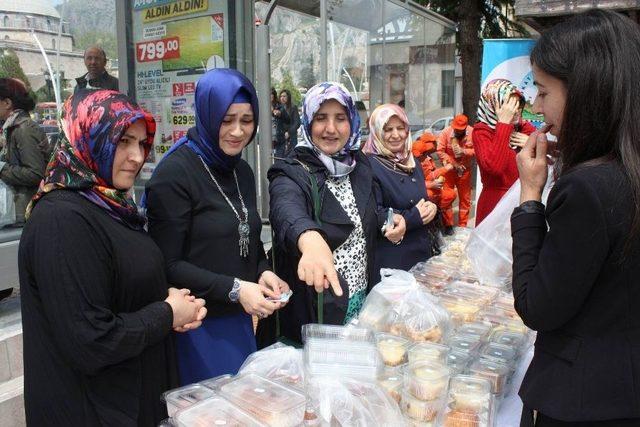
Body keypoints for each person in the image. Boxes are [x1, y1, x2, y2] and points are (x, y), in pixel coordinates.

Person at [18, 90, 206, 426]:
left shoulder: (110, 205)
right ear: (89, 139)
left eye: (142, 143)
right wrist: (166, 313)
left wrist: (173, 309)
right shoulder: (62, 220)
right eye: (123, 141)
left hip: (127, 398)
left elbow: (119, 288)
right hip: (90, 409)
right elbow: (90, 340)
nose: (137, 156)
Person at [512, 10, 640, 426]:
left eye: (544, 92)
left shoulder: (588, 189)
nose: (536, 106)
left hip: (583, 400)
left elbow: (537, 306)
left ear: (586, 92)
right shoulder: (625, 172)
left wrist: (530, 195)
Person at [145, 69, 289, 384]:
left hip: (238, 321)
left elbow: (247, 239)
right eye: (227, 120)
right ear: (208, 115)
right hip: (196, 326)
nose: (237, 131)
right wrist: (237, 289)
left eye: (246, 120)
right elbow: (166, 265)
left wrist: (262, 271)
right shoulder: (174, 175)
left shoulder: (243, 171)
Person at [267, 82, 405, 344]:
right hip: (317, 314)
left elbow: (366, 211)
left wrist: (389, 218)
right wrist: (309, 238)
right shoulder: (291, 171)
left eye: (340, 118)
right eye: (321, 118)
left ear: (351, 122)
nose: (331, 129)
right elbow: (286, 208)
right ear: (308, 122)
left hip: (361, 303)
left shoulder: (359, 164)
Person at [362, 104, 437, 283]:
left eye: (400, 128)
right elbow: (374, 213)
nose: (396, 135)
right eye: (387, 129)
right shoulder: (369, 165)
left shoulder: (412, 161)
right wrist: (413, 217)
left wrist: (433, 207)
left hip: (420, 255)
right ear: (376, 132)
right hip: (392, 262)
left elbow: (420, 200)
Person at [473, 79, 536, 224]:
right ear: (493, 105)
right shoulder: (482, 131)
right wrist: (503, 125)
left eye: (517, 104)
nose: (516, 111)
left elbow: (546, 156)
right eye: (509, 106)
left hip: (521, 199)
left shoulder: (522, 128)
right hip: (495, 204)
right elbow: (495, 168)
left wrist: (530, 143)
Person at [0, 78, 48, 226]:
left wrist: (2, 168)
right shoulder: (13, 128)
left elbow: (35, 173)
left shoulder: (23, 129)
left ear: (7, 103)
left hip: (27, 214)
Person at [436, 114, 474, 232]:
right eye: (456, 129)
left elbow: (478, 150)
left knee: (465, 198)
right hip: (449, 171)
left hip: (465, 170)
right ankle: (448, 225)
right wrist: (454, 164)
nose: (457, 131)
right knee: (447, 196)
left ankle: (463, 225)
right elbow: (440, 151)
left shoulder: (473, 133)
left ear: (465, 127)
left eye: (460, 130)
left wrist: (464, 151)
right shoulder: (446, 133)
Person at [412, 132, 455, 209]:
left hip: (433, 184)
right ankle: (437, 210)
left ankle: (438, 211)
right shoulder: (417, 161)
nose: (435, 144)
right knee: (431, 194)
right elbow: (414, 182)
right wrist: (432, 184)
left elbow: (430, 174)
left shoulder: (427, 156)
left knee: (450, 194)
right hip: (426, 189)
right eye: (433, 142)